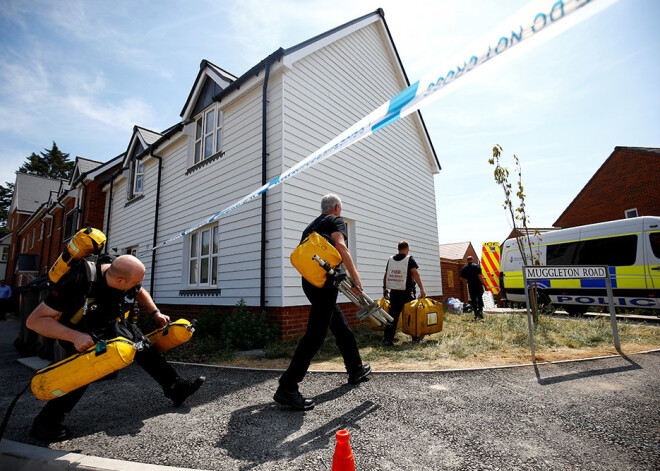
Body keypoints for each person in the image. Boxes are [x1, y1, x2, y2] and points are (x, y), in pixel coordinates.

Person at [26, 255, 205, 441]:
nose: (136, 286)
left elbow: (139, 290)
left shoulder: (123, 275)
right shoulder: (77, 279)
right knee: (80, 376)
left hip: (112, 323)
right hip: (80, 332)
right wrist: (75, 337)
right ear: (120, 281)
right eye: (134, 282)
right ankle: (46, 424)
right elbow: (34, 321)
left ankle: (176, 388)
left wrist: (155, 313)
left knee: (145, 348)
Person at [274, 194, 371, 411]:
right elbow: (341, 246)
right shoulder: (335, 221)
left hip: (310, 283)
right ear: (337, 208)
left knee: (339, 326)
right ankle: (287, 388)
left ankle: (355, 369)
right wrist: (356, 278)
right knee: (315, 336)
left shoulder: (311, 227)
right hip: (326, 283)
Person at [382, 241, 426, 346]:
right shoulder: (409, 259)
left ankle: (388, 339)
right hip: (407, 292)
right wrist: (422, 289)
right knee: (411, 314)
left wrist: (384, 288)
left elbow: (386, 274)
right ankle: (415, 338)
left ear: (398, 248)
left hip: (394, 292)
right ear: (407, 248)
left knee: (392, 316)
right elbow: (415, 273)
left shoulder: (391, 259)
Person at [460, 256, 486, 320]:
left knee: (473, 299)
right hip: (478, 285)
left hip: (471, 285)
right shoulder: (477, 266)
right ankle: (480, 312)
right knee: (480, 298)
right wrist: (485, 285)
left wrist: (467, 280)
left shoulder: (464, 268)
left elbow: (461, 278)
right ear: (472, 260)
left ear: (467, 261)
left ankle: (475, 314)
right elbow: (479, 276)